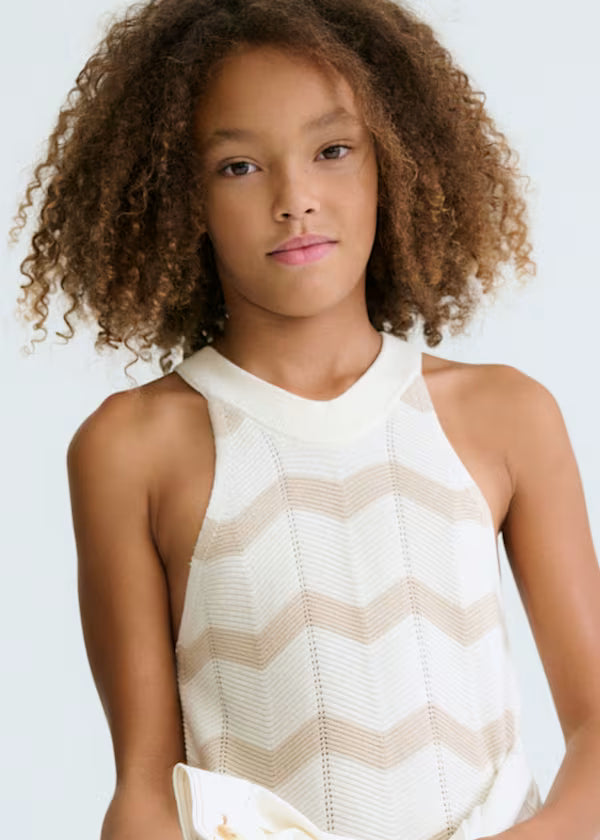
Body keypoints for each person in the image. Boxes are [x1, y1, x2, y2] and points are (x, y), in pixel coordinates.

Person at [9, 1, 600, 839]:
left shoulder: (505, 416)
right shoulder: (133, 449)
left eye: (332, 151)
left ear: (395, 160)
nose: (295, 200)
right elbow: (146, 787)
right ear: (179, 197)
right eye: (239, 166)